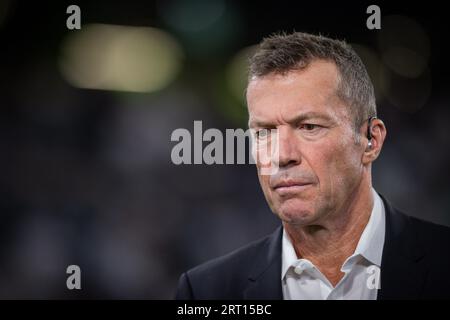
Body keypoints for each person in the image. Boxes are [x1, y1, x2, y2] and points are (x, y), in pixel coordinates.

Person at [175, 32, 450, 300]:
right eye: (264, 132)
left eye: (309, 127)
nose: (281, 156)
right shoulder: (205, 291)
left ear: (370, 140)